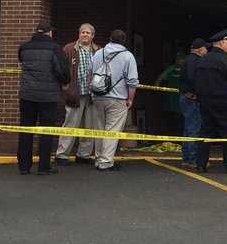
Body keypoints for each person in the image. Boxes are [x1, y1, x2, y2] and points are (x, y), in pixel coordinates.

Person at [17, 21, 68, 175]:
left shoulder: (24, 47)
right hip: (48, 96)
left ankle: (24, 167)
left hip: (27, 94)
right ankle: (43, 166)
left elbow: (22, 62)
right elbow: (62, 71)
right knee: (46, 131)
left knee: (26, 129)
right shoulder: (55, 48)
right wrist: (64, 82)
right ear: (49, 33)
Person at [194, 29, 227, 173]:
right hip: (224, 102)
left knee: (205, 133)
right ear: (222, 42)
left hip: (205, 102)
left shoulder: (202, 59)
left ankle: (201, 164)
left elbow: (194, 81)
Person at [89, 28, 139, 171]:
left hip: (98, 96)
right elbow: (132, 81)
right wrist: (130, 99)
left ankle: (98, 158)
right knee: (112, 130)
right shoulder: (128, 56)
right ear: (124, 41)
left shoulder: (99, 53)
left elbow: (90, 71)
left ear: (110, 38)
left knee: (99, 129)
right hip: (117, 98)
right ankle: (105, 162)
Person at [56, 23, 99, 164]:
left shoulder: (99, 51)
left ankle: (83, 155)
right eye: (82, 32)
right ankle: (62, 155)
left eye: (88, 33)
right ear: (79, 34)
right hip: (75, 93)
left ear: (92, 36)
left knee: (89, 125)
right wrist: (65, 87)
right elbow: (60, 68)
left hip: (92, 95)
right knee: (70, 124)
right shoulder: (69, 49)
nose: (85, 35)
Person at [178, 38, 206, 167]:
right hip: (192, 98)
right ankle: (193, 159)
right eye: (205, 48)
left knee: (187, 128)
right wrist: (197, 93)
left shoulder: (186, 61)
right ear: (200, 49)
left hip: (184, 97)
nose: (207, 50)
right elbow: (192, 78)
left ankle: (186, 157)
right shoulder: (196, 61)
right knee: (194, 128)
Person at [155, 50, 186, 135]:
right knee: (173, 119)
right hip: (172, 99)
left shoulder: (186, 69)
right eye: (177, 58)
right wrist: (156, 87)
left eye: (181, 59)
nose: (178, 60)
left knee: (183, 120)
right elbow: (160, 78)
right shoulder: (171, 69)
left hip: (184, 98)